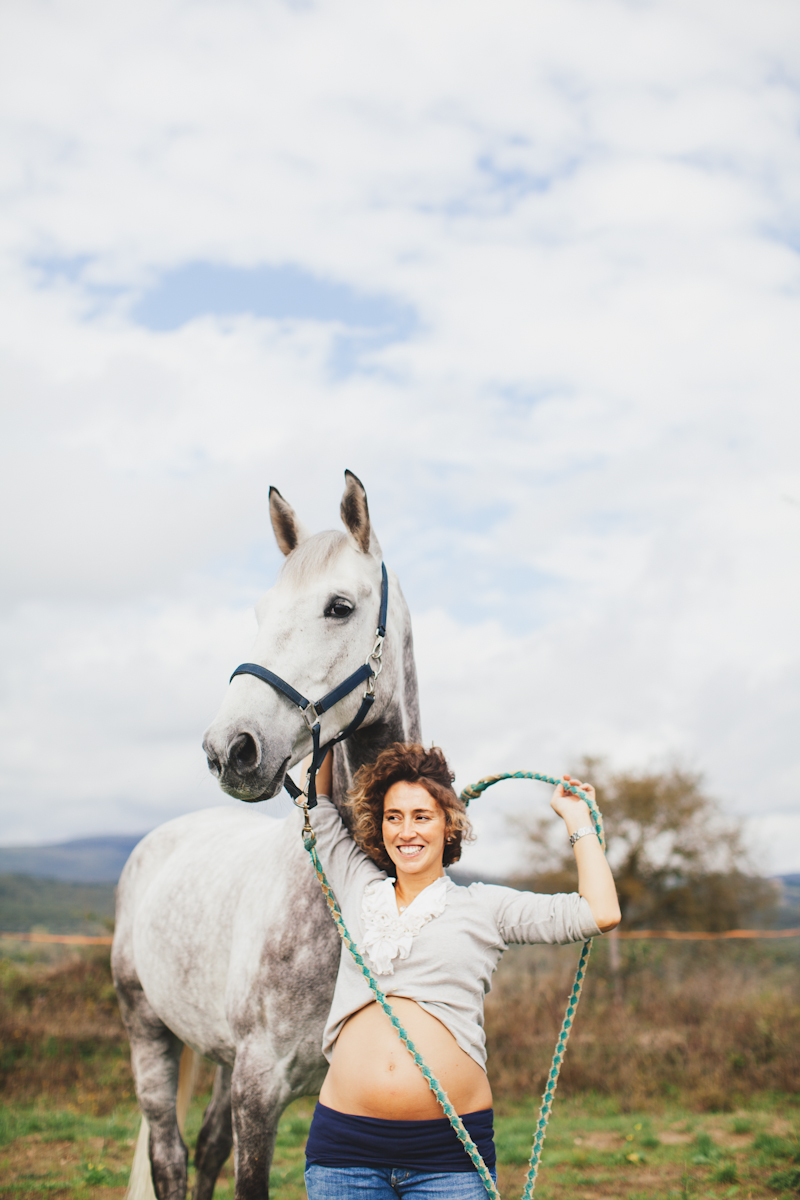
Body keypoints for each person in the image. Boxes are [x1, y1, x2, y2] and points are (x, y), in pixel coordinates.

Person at [303, 744, 620, 1199]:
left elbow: (599, 912)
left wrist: (577, 821)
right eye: (394, 816)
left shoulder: (485, 907)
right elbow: (313, 807)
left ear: (449, 823)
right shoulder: (355, 883)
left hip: (447, 1156)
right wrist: (324, 723)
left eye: (421, 816)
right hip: (345, 1153)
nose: (406, 831)